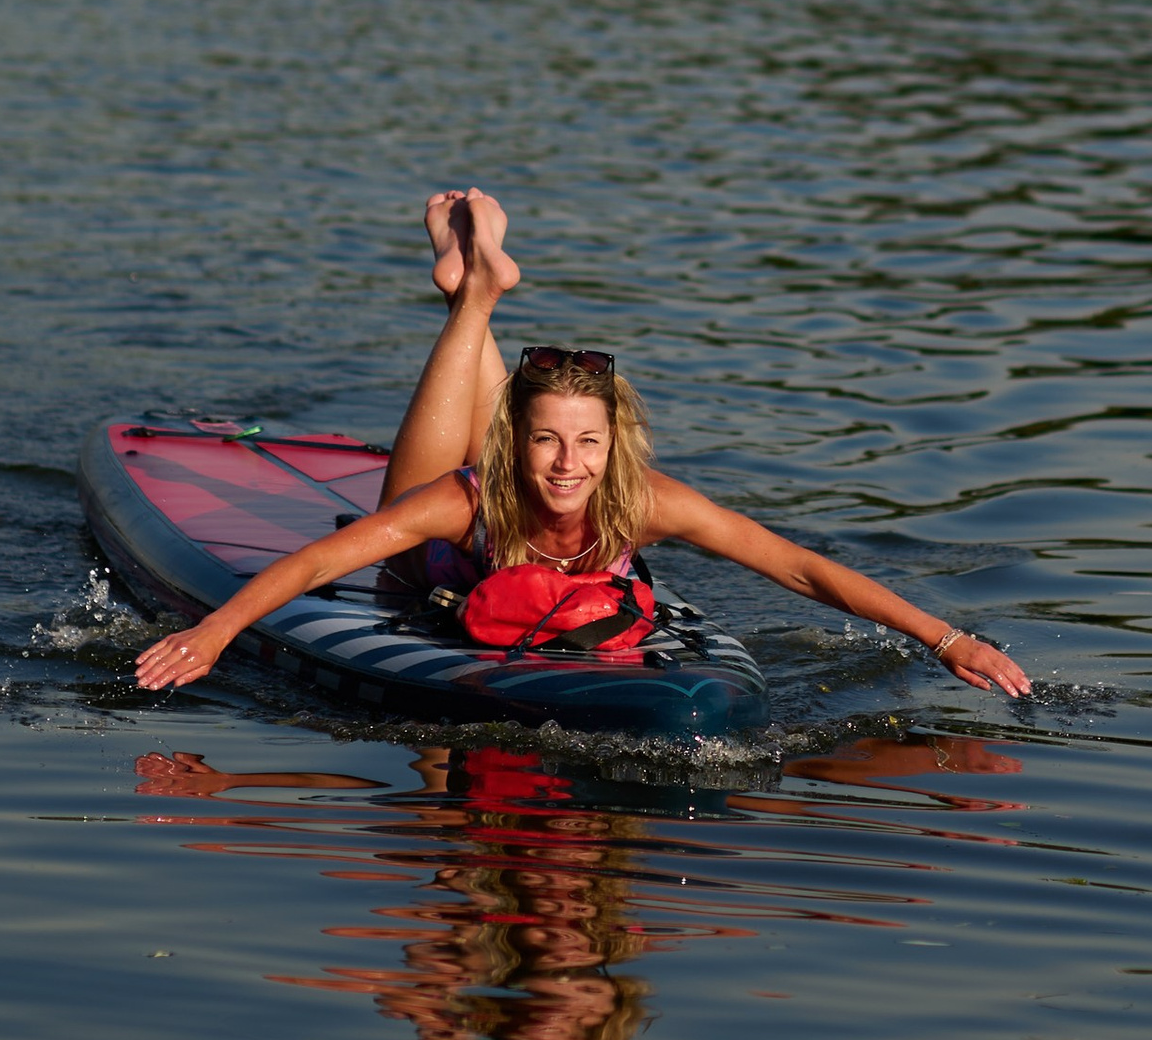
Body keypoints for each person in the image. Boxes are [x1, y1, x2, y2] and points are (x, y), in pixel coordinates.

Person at [133, 189, 1031, 701]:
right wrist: (213, 634)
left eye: (588, 444)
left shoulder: (645, 502)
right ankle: (476, 295)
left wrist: (946, 637)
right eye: (547, 443)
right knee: (395, 516)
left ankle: (465, 286)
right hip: (430, 580)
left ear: (617, 445)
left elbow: (798, 568)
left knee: (499, 374)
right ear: (510, 443)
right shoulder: (468, 498)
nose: (568, 465)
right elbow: (318, 563)